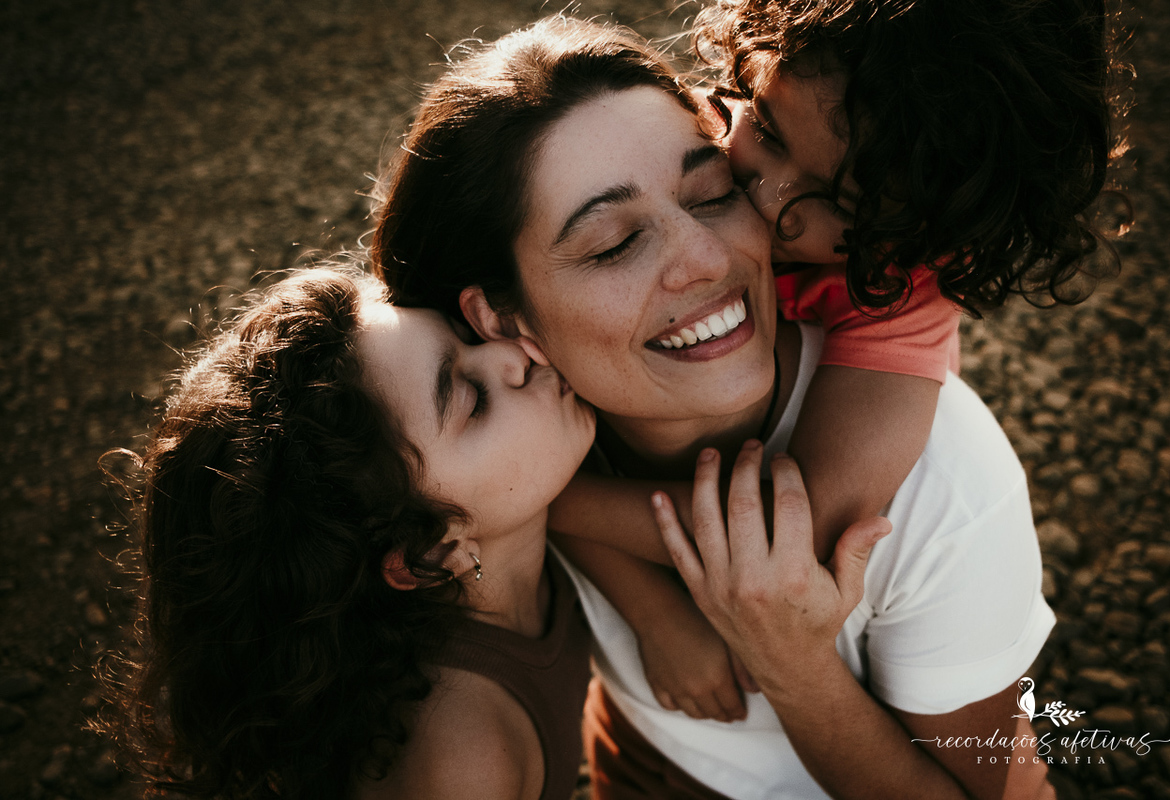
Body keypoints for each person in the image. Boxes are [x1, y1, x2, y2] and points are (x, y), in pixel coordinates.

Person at [371, 16, 1055, 799]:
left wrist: (791, 667)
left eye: (708, 195)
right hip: (638, 749)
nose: (742, 225)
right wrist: (648, 609)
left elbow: (781, 538)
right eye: (612, 244)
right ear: (500, 320)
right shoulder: (524, 418)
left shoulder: (939, 480)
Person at [98, 267, 597, 800]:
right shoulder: (463, 759)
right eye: (474, 398)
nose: (514, 351)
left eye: (466, 335)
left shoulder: (517, 517)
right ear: (428, 552)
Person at [692, 0, 1124, 561]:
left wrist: (562, 505)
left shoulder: (903, 290)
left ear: (929, 232)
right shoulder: (688, 126)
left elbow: (794, 532)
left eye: (837, 203)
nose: (772, 203)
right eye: (769, 132)